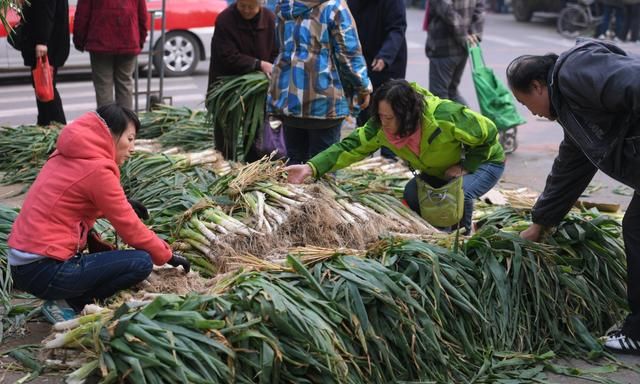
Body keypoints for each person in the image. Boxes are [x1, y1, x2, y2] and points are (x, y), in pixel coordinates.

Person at [506, 38, 640, 354]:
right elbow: (570, 169)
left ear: (538, 86)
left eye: (525, 104)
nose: (532, 113)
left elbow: (635, 81)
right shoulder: (573, 111)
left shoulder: (574, 72)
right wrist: (540, 223)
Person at [7, 104, 191, 324]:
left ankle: (65, 296)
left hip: (22, 267)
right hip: (46, 270)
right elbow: (130, 229)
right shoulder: (98, 169)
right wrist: (166, 255)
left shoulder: (66, 154)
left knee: (116, 255)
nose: (132, 148)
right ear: (110, 135)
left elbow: (71, 201)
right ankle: (69, 304)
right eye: (130, 139)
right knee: (141, 261)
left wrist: (123, 204)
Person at [285, 79, 505, 232]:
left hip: (485, 162)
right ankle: (441, 230)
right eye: (380, 116)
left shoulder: (444, 115)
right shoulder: (380, 127)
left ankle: (463, 239)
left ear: (407, 114)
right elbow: (349, 148)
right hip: (442, 171)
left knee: (460, 193)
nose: (384, 123)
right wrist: (311, 168)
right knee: (412, 193)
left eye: (389, 117)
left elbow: (489, 132)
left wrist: (467, 165)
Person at [268, 0, 372, 165]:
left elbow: (280, 45)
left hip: (290, 98)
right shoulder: (334, 7)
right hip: (324, 101)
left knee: (295, 166)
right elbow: (348, 54)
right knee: (324, 168)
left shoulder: (285, 5)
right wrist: (363, 87)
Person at [207, 0, 278, 160]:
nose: (246, 10)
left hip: (256, 91)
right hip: (226, 87)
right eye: (242, 6)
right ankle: (225, 166)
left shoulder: (270, 19)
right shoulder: (225, 19)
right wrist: (259, 64)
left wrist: (270, 67)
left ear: (260, 4)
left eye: (251, 7)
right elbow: (227, 55)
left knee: (254, 132)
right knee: (225, 135)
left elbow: (276, 50)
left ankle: (252, 169)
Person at [347, 0, 408, 159]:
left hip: (388, 63)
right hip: (362, 60)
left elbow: (397, 28)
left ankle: (389, 158)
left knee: (389, 111)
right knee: (365, 111)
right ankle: (363, 155)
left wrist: (385, 56)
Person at [73, 0, 148, 110]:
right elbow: (142, 15)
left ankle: (107, 124)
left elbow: (82, 15)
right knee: (125, 84)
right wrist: (140, 40)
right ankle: (126, 124)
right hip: (128, 40)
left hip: (100, 42)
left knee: (103, 86)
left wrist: (79, 40)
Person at [425, 0, 485, 105]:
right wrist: (473, 33)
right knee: (452, 92)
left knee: (439, 97)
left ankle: (470, 121)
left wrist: (464, 36)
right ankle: (471, 120)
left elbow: (447, 12)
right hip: (463, 45)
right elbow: (480, 8)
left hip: (445, 45)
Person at [20, 0, 69, 126]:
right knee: (42, 86)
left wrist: (42, 41)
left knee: (46, 87)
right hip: (50, 42)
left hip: (47, 44)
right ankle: (45, 124)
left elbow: (45, 12)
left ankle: (58, 128)